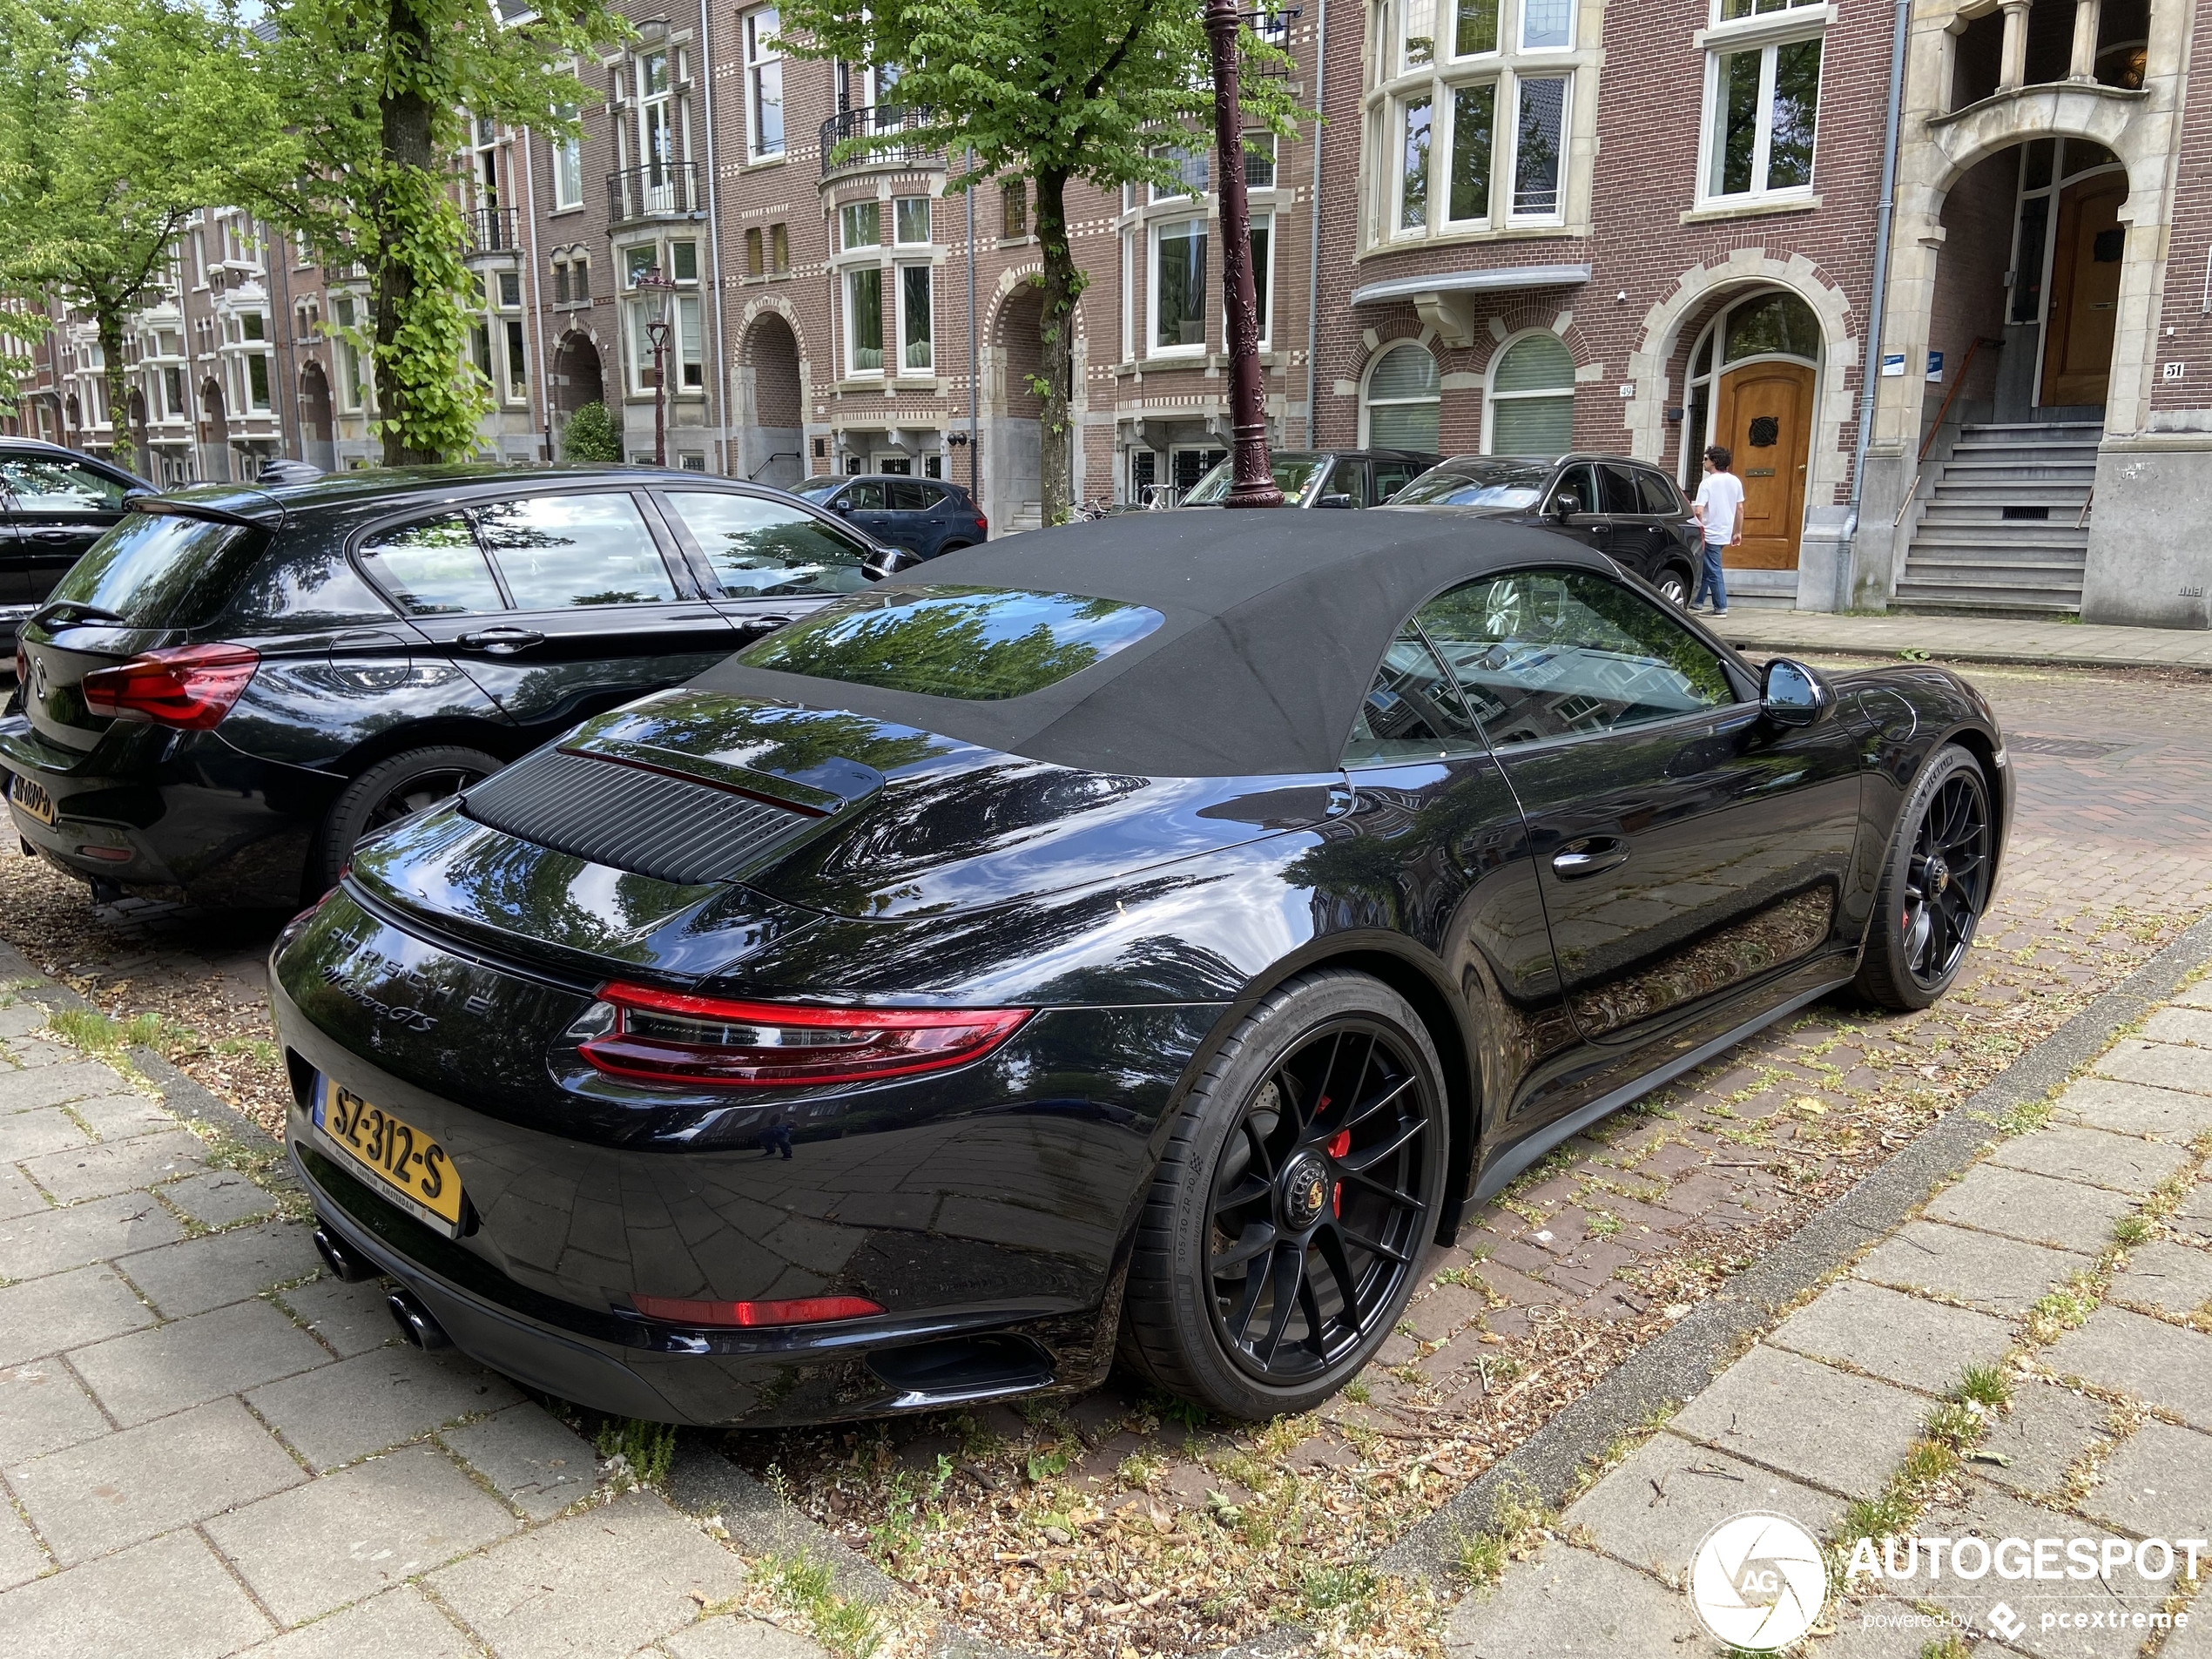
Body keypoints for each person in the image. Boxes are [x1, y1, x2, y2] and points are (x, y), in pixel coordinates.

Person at [1690, 444, 1743, 616]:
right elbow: (1740, 508)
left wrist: (1699, 528)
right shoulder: (1735, 481)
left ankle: (1721, 607)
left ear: (1714, 461)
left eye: (1706, 459)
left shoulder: (1707, 483)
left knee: (1713, 570)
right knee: (1707, 567)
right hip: (1724, 532)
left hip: (1709, 532)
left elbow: (1699, 510)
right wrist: (1737, 532)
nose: (1703, 462)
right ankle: (1697, 602)